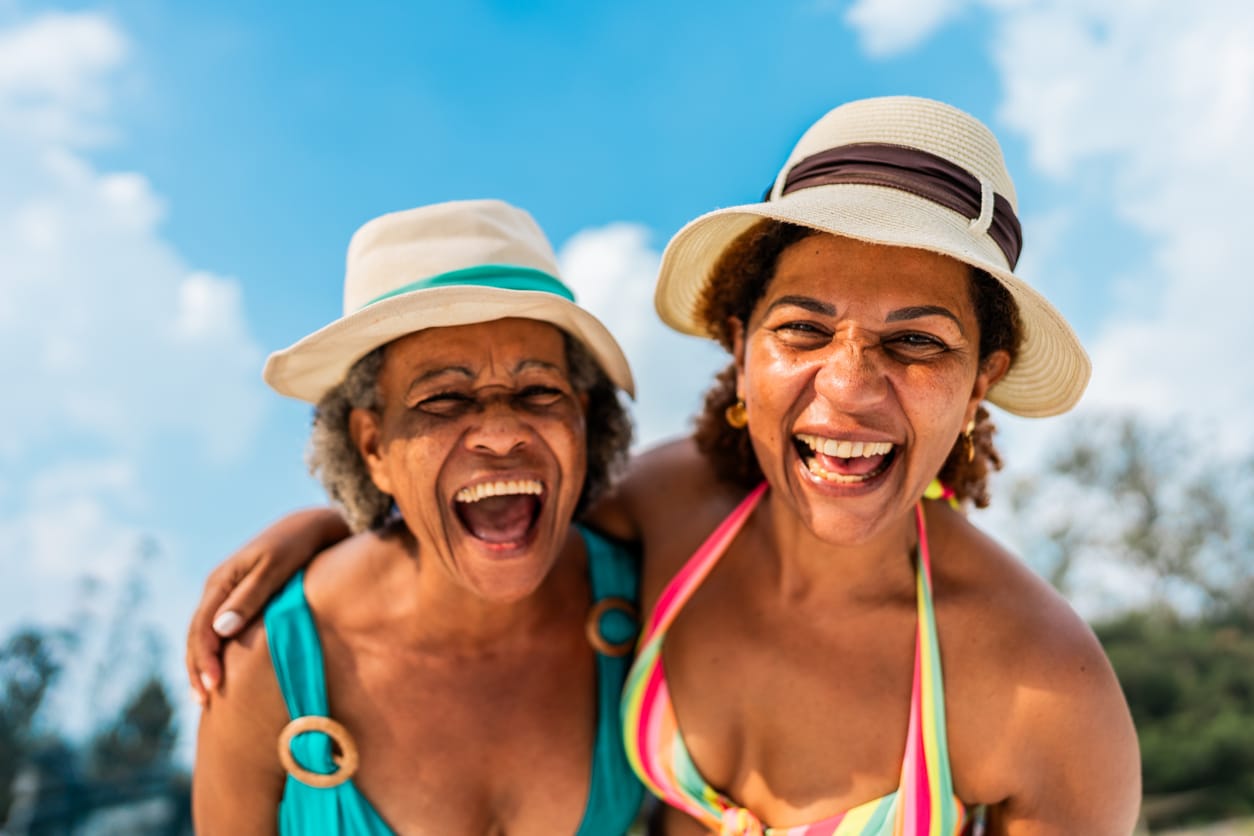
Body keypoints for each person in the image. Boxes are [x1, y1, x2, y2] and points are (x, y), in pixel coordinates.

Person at [189, 98, 1141, 834]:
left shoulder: (1042, 687)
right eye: (803, 329)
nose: (848, 389)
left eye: (918, 343)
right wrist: (327, 528)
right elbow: (486, 517)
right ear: (741, 345)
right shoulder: (669, 508)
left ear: (985, 379)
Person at [191, 199, 645, 834]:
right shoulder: (265, 664)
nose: (500, 432)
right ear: (373, 446)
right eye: (444, 399)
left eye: (539, 391)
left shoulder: (652, 601)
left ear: (585, 421)